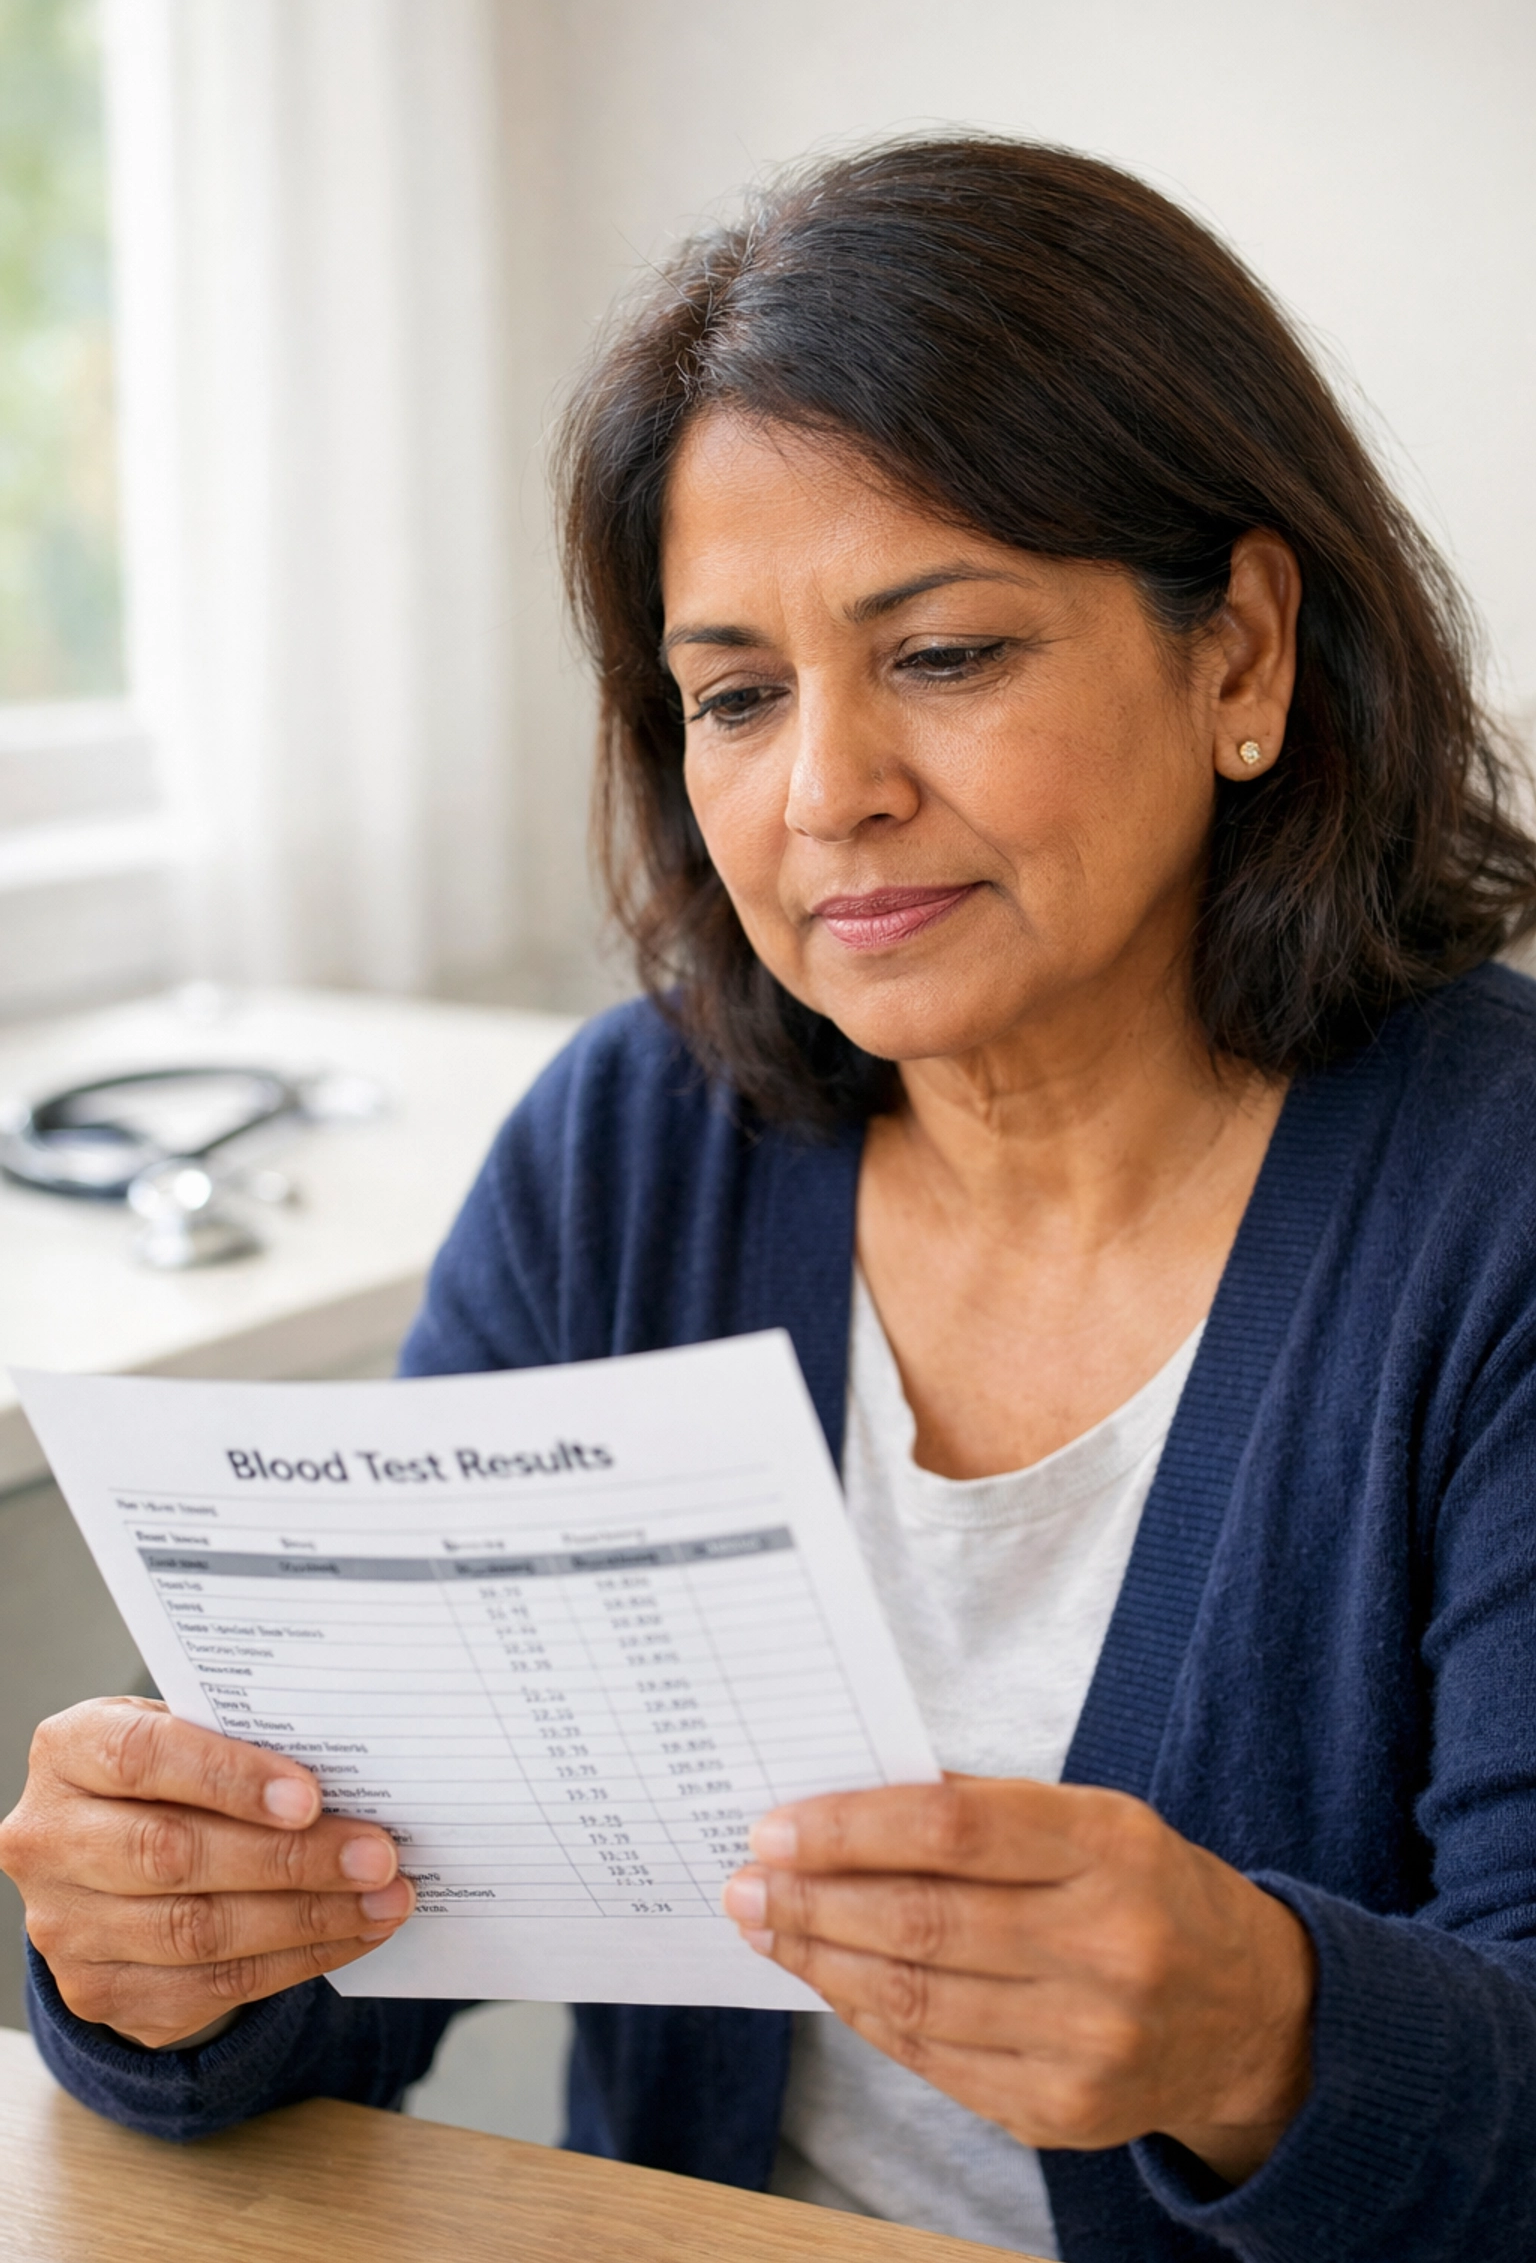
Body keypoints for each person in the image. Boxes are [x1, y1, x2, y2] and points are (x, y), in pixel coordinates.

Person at [6, 135, 1536, 2262]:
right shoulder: (631, 1152)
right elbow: (351, 1989)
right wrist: (168, 1951)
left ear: (1244, 656)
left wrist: (1266, 2039)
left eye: (947, 654)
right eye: (735, 694)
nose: (827, 792)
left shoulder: (1499, 1219)